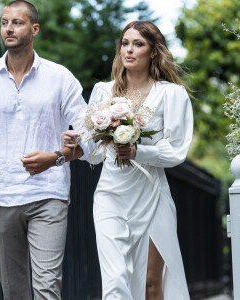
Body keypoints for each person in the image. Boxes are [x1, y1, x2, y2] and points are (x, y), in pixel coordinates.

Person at [0, 1, 93, 299]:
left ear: (34, 29)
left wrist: (57, 156)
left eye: (17, 22)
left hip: (48, 195)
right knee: (14, 291)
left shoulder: (60, 77)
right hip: (0, 194)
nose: (8, 29)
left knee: (47, 287)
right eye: (4, 23)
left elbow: (88, 135)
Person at [62, 21, 193, 300]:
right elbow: (90, 146)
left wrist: (139, 152)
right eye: (125, 43)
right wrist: (74, 140)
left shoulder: (172, 94)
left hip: (151, 195)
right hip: (110, 195)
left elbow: (177, 150)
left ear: (154, 52)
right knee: (115, 281)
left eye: (138, 44)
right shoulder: (102, 91)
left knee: (151, 285)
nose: (129, 50)